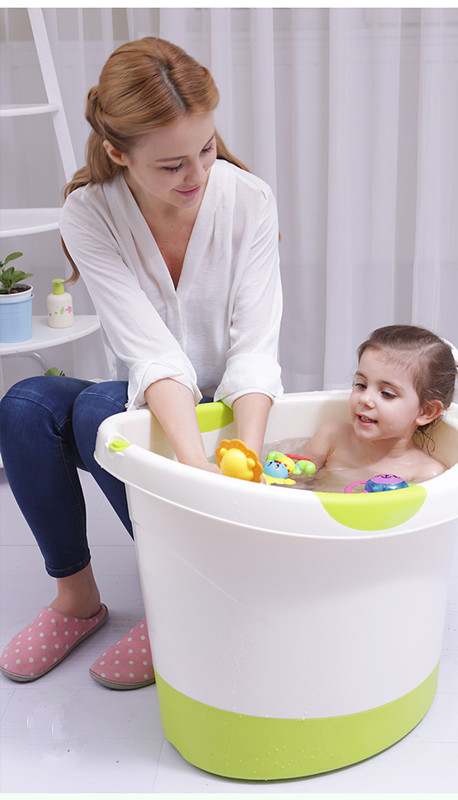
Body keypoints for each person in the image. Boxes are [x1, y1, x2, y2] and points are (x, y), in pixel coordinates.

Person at [0, 37, 282, 690]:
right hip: (155, 397)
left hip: (228, 407)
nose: (198, 176)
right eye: (173, 164)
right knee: (25, 404)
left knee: (102, 407)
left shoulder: (248, 202)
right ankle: (77, 602)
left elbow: (254, 348)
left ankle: (188, 597)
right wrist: (191, 470)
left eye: (207, 150)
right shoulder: (88, 211)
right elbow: (149, 350)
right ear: (118, 153)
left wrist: (242, 464)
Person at [297, 325, 458, 488]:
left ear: (426, 411)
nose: (365, 399)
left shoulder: (425, 473)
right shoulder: (331, 437)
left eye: (387, 394)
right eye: (361, 385)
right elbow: (294, 482)